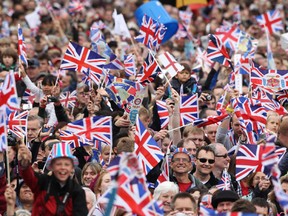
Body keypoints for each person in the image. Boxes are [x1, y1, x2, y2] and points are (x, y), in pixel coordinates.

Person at [17, 142, 88, 215]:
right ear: (52, 166)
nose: (63, 168)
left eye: (67, 164)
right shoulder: (43, 182)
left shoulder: (77, 191)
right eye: (58, 164)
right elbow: (29, 176)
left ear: (72, 168)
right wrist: (24, 163)